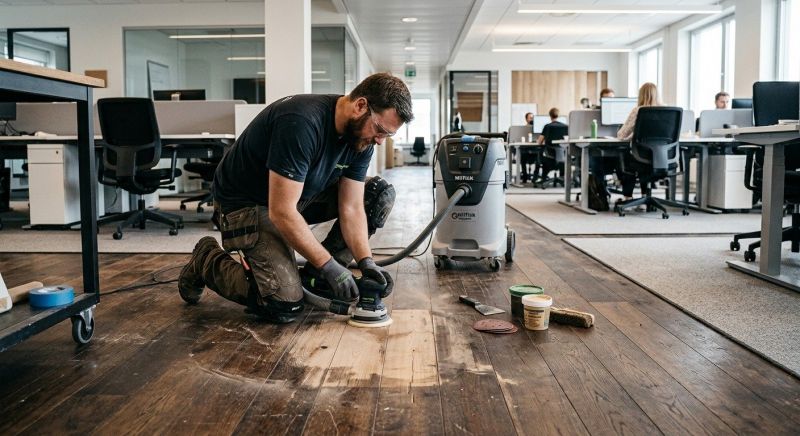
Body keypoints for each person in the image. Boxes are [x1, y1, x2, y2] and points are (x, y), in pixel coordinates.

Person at [178, 72, 414, 323]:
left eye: (386, 136)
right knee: (283, 303)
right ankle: (206, 258)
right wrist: (331, 266)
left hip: (297, 196)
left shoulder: (362, 139)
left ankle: (316, 277)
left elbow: (353, 207)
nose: (379, 141)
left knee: (377, 194)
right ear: (360, 105)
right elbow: (281, 211)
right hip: (247, 204)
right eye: (379, 130)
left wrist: (366, 262)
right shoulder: (301, 122)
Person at [614, 82, 661, 199]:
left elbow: (621, 135)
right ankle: (645, 195)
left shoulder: (638, 110)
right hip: (661, 158)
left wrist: (632, 135)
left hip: (640, 157)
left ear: (641, 96)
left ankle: (628, 197)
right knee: (641, 161)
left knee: (624, 155)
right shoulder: (668, 111)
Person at [534, 108, 568, 184]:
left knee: (540, 154)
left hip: (549, 157)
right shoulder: (566, 127)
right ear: (558, 115)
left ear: (550, 116)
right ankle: (563, 179)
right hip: (563, 157)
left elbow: (539, 142)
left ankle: (542, 178)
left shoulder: (547, 126)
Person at [519, 112, 536, 183]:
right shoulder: (523, 129)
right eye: (530, 118)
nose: (532, 119)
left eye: (533, 118)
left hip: (535, 150)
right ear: (526, 119)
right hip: (526, 150)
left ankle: (536, 177)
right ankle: (525, 176)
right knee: (522, 156)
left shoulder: (537, 128)